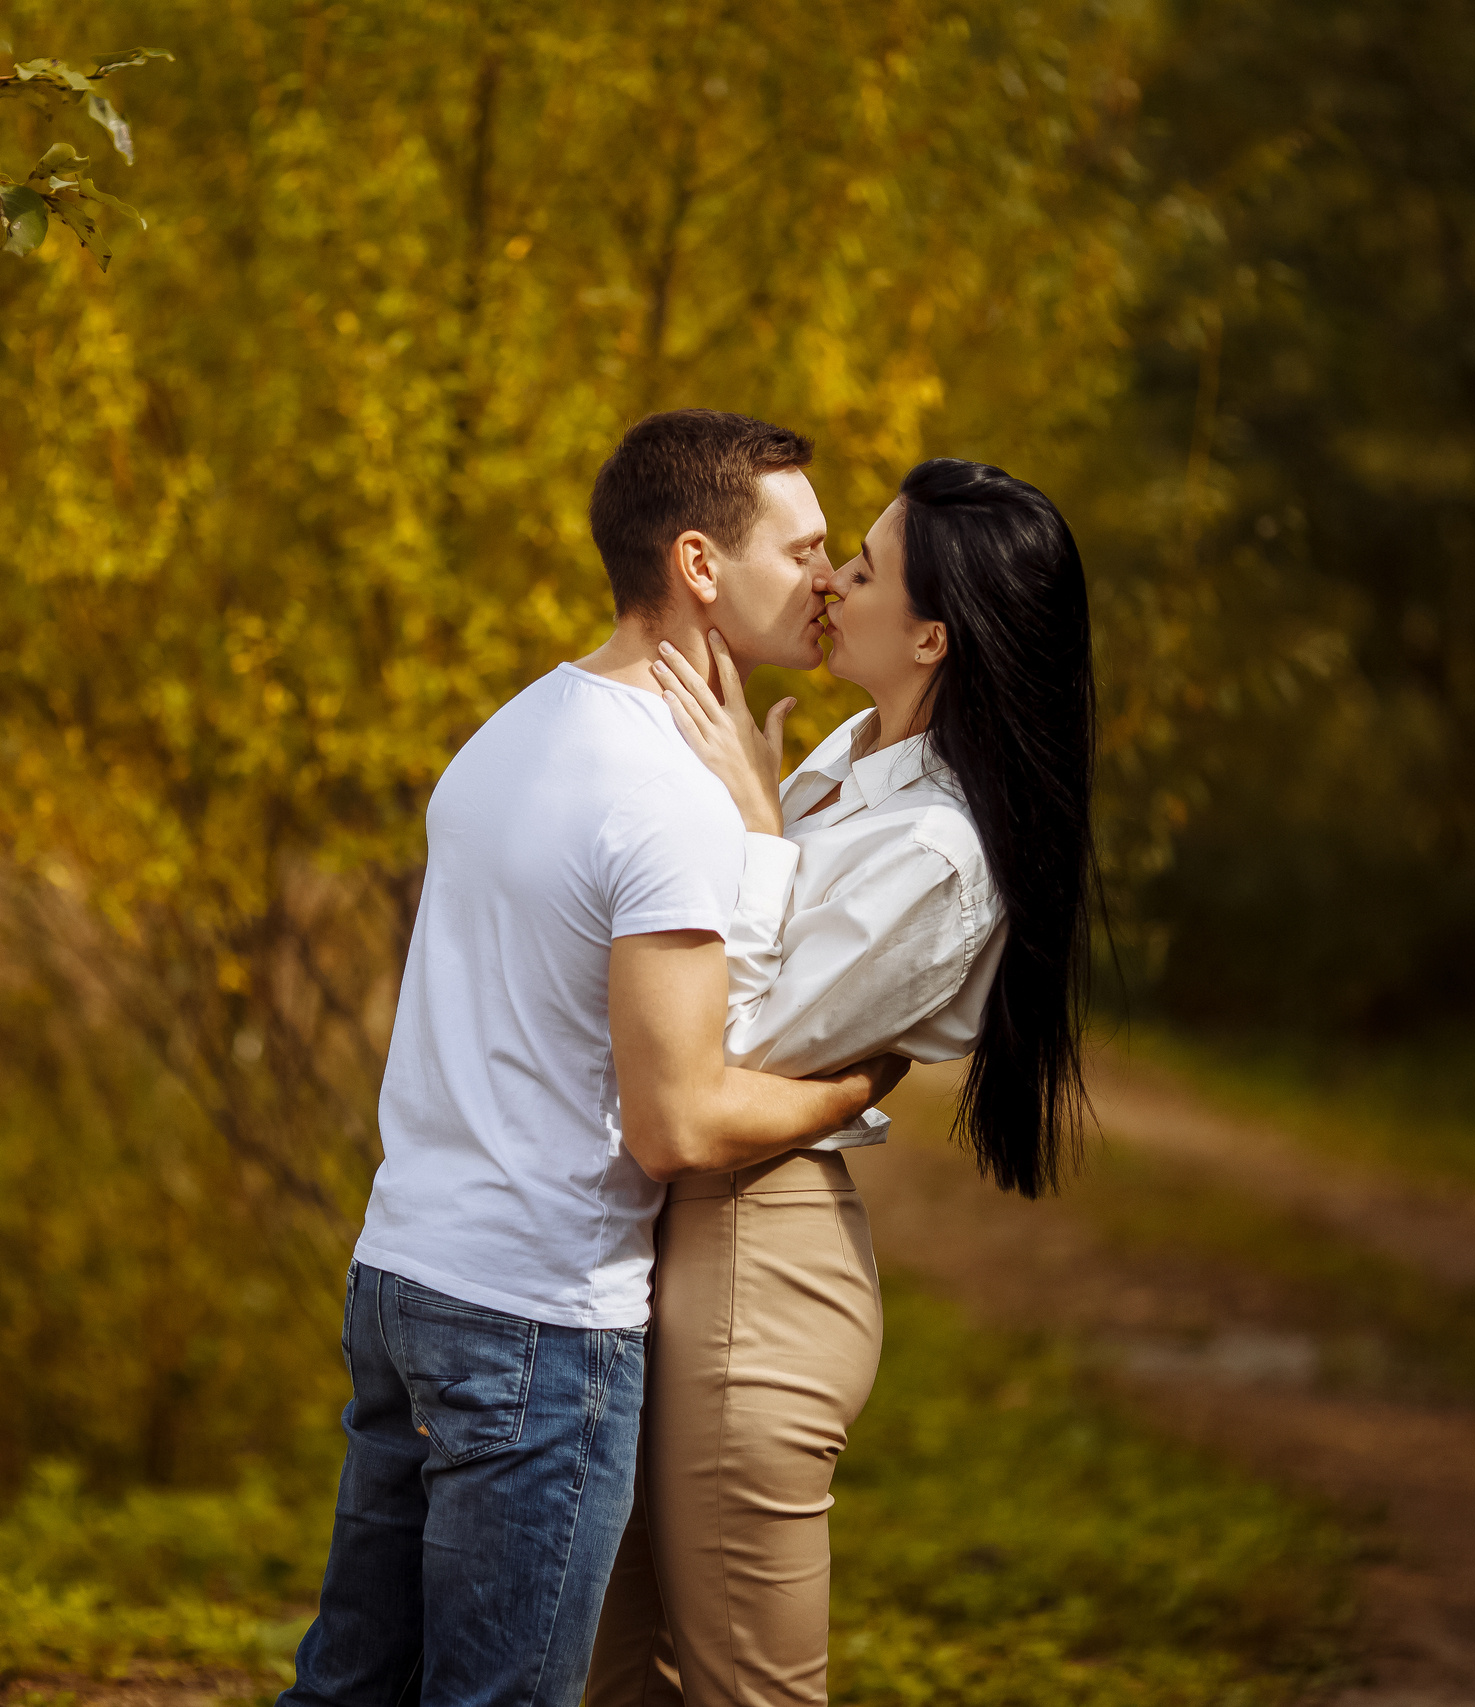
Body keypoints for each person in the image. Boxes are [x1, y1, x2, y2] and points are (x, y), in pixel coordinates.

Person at [278, 410, 913, 1707]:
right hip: (533, 1321)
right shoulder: (663, 791)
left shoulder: (510, 731)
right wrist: (857, 1083)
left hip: (403, 1274)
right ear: (697, 564)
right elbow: (673, 1121)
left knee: (351, 1685)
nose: (826, 576)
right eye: (800, 548)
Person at [586, 458, 1097, 1707]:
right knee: (608, 1678)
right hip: (685, 1239)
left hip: (756, 1261)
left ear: (930, 635)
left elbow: (729, 1050)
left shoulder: (937, 851)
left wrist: (757, 829)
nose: (825, 579)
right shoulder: (853, 758)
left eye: (859, 569)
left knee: (742, 1691)